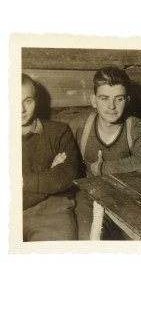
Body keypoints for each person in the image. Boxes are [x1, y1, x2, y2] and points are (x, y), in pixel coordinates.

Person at [70, 66, 141, 239]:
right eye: (104, 98)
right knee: (88, 238)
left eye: (119, 99)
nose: (111, 106)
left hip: (127, 198)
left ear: (127, 100)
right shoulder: (80, 125)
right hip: (89, 198)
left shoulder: (136, 127)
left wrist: (103, 168)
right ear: (94, 100)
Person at [22, 74, 79, 241]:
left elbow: (68, 175)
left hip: (53, 209)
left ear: (37, 101)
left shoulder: (59, 131)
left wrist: (22, 182)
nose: (21, 109)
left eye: (28, 101)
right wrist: (49, 174)